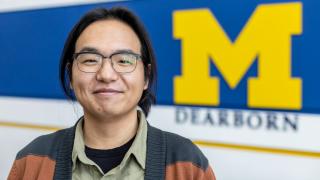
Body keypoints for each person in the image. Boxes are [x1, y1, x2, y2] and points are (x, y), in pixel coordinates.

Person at [8, 7, 216, 180]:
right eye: (90, 59)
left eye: (124, 60)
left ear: (146, 77)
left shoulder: (186, 164)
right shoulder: (32, 161)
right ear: (70, 76)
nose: (106, 74)